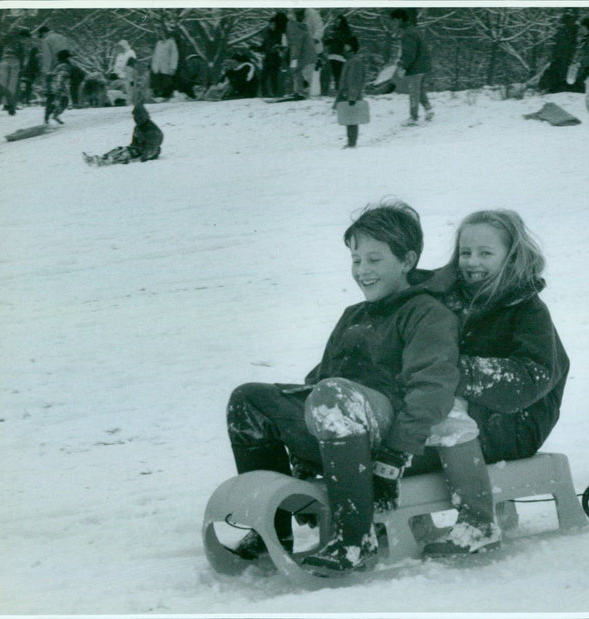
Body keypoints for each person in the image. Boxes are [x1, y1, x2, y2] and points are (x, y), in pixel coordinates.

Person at [225, 201, 460, 574]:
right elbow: (319, 381)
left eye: (374, 259)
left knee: (334, 394)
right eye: (356, 260)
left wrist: (394, 458)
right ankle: (273, 527)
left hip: (392, 440)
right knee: (248, 399)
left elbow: (432, 389)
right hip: (341, 423)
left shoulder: (426, 313)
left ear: (407, 260)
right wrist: (303, 443)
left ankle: (356, 539)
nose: (362, 271)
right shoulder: (353, 316)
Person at [412, 209, 570, 556]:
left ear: (510, 256)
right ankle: (404, 518)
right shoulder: (449, 297)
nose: (472, 262)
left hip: (516, 422)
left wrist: (453, 372)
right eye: (466, 253)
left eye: (486, 253)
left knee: (439, 414)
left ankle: (476, 523)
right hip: (468, 413)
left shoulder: (527, 309)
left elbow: (531, 378)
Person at [389, 8, 433, 126]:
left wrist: (402, 65)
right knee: (420, 89)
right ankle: (428, 109)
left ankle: (413, 118)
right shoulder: (414, 30)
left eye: (393, 21)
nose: (392, 24)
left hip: (417, 66)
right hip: (424, 64)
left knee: (414, 91)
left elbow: (409, 53)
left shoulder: (408, 33)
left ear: (399, 19)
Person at [82, 103, 163, 166]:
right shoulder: (137, 128)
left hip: (148, 152)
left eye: (139, 117)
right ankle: (103, 157)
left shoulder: (152, 130)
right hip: (137, 149)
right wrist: (129, 148)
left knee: (127, 153)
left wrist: (139, 158)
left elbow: (151, 148)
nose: (136, 119)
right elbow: (133, 143)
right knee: (120, 149)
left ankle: (109, 161)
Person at [332, 36, 365, 148]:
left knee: (351, 119)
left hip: (350, 95)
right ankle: (350, 141)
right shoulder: (350, 60)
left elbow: (354, 80)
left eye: (347, 45)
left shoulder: (354, 61)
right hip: (347, 93)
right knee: (348, 118)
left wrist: (352, 96)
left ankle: (352, 142)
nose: (344, 47)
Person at [0, 27, 31, 116]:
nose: (26, 40)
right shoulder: (20, 42)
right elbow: (22, 55)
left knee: (1, 85)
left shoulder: (7, 39)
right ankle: (10, 107)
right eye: (26, 38)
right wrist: (22, 67)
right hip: (15, 62)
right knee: (12, 86)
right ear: (24, 36)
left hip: (4, 61)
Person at [38, 26, 71, 122]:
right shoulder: (62, 37)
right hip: (65, 65)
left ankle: (46, 118)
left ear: (43, 33)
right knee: (63, 92)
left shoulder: (47, 40)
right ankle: (57, 113)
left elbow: (47, 57)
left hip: (54, 68)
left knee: (51, 93)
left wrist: (47, 71)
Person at [286, 9, 317, 99]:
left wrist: (294, 58)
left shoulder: (293, 27)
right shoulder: (302, 27)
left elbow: (296, 44)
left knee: (297, 71)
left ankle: (300, 92)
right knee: (300, 73)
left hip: (303, 56)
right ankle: (301, 92)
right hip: (308, 56)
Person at [259, 13, 287, 97]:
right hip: (267, 57)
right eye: (270, 24)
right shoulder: (267, 33)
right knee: (263, 76)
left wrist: (278, 48)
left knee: (273, 77)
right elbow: (264, 45)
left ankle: (275, 93)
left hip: (275, 57)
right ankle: (265, 93)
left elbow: (283, 45)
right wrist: (257, 48)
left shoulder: (280, 33)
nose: (272, 26)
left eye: (273, 24)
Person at [323, 14, 353, 92]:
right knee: (336, 73)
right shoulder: (335, 31)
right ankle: (339, 88)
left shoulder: (345, 32)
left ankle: (341, 88)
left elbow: (345, 42)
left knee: (339, 73)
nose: (337, 23)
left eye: (338, 21)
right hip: (333, 54)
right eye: (336, 21)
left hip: (341, 55)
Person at [45, 49, 72, 124]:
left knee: (51, 101)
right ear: (66, 58)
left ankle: (47, 119)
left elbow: (51, 74)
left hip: (51, 86)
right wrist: (60, 86)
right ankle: (55, 115)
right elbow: (61, 75)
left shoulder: (57, 65)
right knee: (63, 102)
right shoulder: (65, 66)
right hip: (59, 86)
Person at [151, 29, 179, 99]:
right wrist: (153, 65)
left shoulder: (171, 42)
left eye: (163, 33)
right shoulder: (158, 43)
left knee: (167, 82)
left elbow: (174, 55)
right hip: (158, 67)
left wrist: (173, 67)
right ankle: (158, 95)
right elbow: (155, 55)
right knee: (157, 82)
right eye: (161, 33)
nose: (162, 35)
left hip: (167, 66)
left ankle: (168, 95)